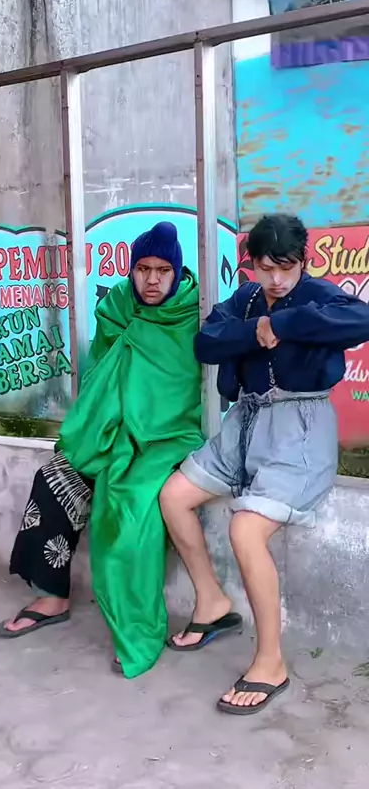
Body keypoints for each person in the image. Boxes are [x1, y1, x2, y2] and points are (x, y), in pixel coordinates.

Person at [160, 214, 369, 715]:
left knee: (246, 529)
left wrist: (285, 324)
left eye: (286, 267)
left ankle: (270, 662)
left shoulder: (319, 295)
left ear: (303, 262)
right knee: (173, 496)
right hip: (244, 425)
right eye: (265, 267)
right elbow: (206, 342)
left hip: (300, 432)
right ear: (250, 264)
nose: (276, 279)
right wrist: (256, 330)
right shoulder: (246, 300)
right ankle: (212, 602)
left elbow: (361, 321)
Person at [0, 221, 223, 678]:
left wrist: (142, 431)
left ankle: (135, 625)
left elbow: (184, 391)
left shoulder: (193, 313)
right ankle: (52, 594)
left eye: (163, 270)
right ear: (131, 270)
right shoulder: (117, 307)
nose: (152, 280)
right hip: (111, 431)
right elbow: (101, 376)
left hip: (167, 438)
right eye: (143, 269)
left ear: (177, 272)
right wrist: (110, 432)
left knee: (131, 507)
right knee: (55, 478)